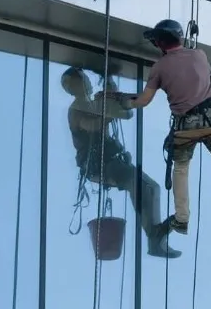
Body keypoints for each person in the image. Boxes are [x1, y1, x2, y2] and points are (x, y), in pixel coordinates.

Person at [110, 19, 211, 236]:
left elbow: (143, 100)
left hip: (186, 126)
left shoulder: (159, 68)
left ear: (159, 43)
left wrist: (121, 100)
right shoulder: (200, 55)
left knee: (181, 168)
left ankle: (182, 218)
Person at [62, 66, 181, 259]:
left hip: (111, 161)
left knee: (152, 187)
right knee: (141, 184)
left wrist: (109, 86)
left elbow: (108, 106)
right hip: (98, 165)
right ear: (72, 87)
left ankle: (156, 236)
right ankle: (154, 236)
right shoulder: (76, 110)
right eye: (80, 80)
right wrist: (110, 113)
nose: (86, 82)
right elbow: (91, 125)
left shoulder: (92, 105)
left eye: (84, 79)